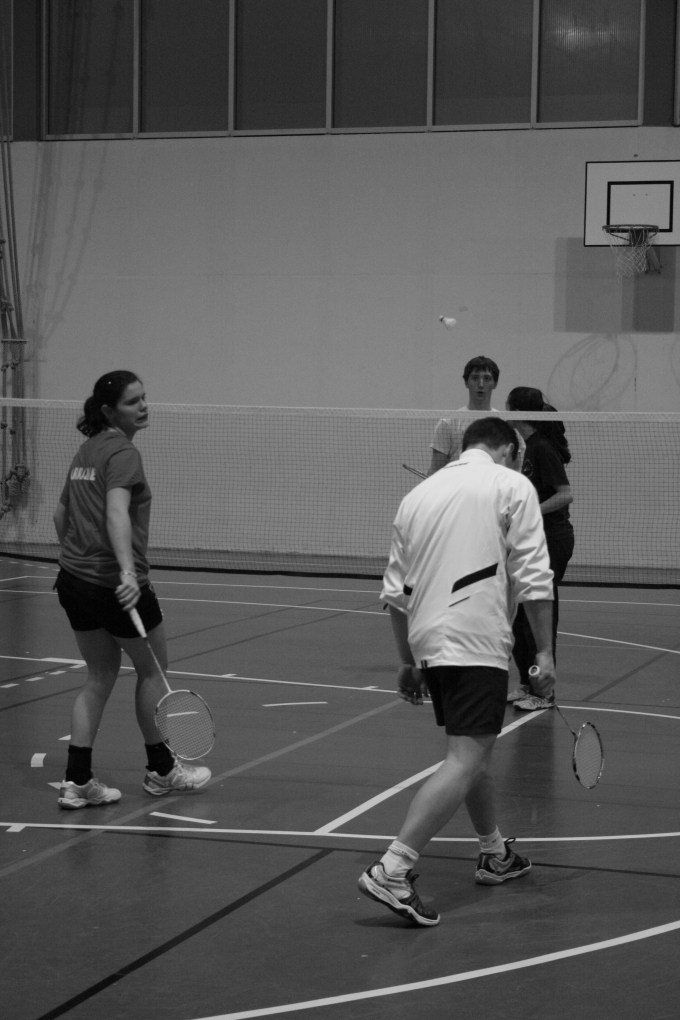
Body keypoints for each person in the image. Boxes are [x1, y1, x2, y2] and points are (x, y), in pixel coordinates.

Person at [357, 417, 555, 927]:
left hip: (430, 638)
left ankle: (494, 853)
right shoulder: (512, 484)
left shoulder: (417, 496)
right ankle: (393, 868)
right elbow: (534, 576)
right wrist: (545, 653)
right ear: (509, 450)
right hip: (476, 637)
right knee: (466, 757)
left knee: (474, 751)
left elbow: (395, 592)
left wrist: (407, 660)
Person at [53, 370, 211, 809]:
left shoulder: (86, 451)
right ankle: (162, 771)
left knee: (99, 675)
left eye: (143, 398)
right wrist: (124, 572)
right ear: (109, 411)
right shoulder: (123, 453)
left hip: (73, 582)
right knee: (153, 672)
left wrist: (78, 560)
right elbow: (116, 513)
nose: (143, 407)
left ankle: (77, 781)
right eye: (132, 401)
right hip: (117, 586)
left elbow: (61, 516)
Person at [505, 387, 574, 711]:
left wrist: (530, 511)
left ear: (517, 412)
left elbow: (565, 494)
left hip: (553, 538)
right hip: (534, 538)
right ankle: (527, 683)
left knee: (539, 612)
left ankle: (545, 692)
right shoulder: (528, 447)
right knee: (520, 616)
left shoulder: (542, 448)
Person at [428, 355, 500, 474]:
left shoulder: (504, 423)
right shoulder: (448, 422)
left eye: (487, 378)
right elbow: (435, 470)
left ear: (495, 384)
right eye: (475, 378)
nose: (481, 384)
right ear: (466, 382)